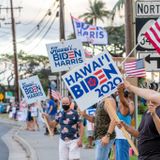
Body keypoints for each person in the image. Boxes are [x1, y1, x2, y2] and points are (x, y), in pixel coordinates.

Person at [116, 80, 160, 160]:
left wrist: (154, 115)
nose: (145, 97)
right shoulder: (147, 112)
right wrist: (126, 127)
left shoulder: (158, 110)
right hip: (143, 156)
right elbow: (140, 134)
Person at [114, 84, 134, 160]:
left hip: (123, 137)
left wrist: (120, 92)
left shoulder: (126, 105)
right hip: (119, 137)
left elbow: (123, 101)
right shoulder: (125, 104)